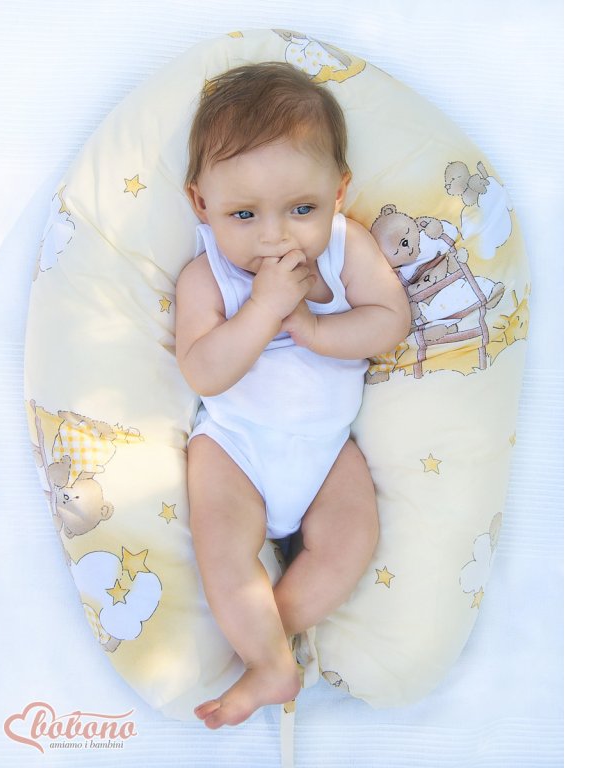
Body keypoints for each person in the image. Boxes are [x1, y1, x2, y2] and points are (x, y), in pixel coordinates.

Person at [174, 62, 411, 730]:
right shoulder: (207, 276)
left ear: (339, 192)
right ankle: (269, 658)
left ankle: (266, 642)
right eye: (243, 214)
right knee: (223, 547)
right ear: (201, 204)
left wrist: (313, 328)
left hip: (329, 450)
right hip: (236, 448)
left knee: (351, 540)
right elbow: (203, 371)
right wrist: (264, 309)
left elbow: (389, 321)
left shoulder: (344, 248)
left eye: (301, 209)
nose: (274, 236)